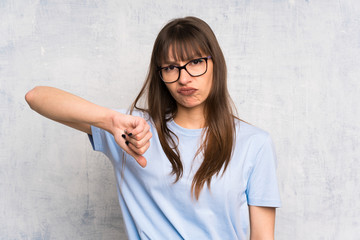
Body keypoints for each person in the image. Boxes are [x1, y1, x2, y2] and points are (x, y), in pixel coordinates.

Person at [25, 16, 281, 240]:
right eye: (171, 67)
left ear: (215, 63)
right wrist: (109, 120)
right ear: (160, 75)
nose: (184, 78)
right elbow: (36, 97)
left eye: (195, 62)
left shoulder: (254, 143)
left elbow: (262, 236)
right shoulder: (131, 129)